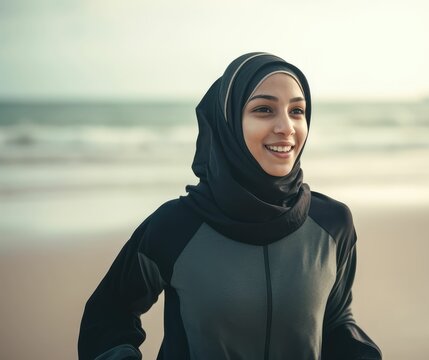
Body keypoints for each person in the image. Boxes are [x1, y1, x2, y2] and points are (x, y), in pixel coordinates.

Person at [78, 52, 382, 360]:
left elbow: (335, 319)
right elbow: (108, 314)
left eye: (297, 111)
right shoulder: (175, 227)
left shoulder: (332, 225)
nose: (286, 127)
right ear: (229, 122)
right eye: (264, 109)